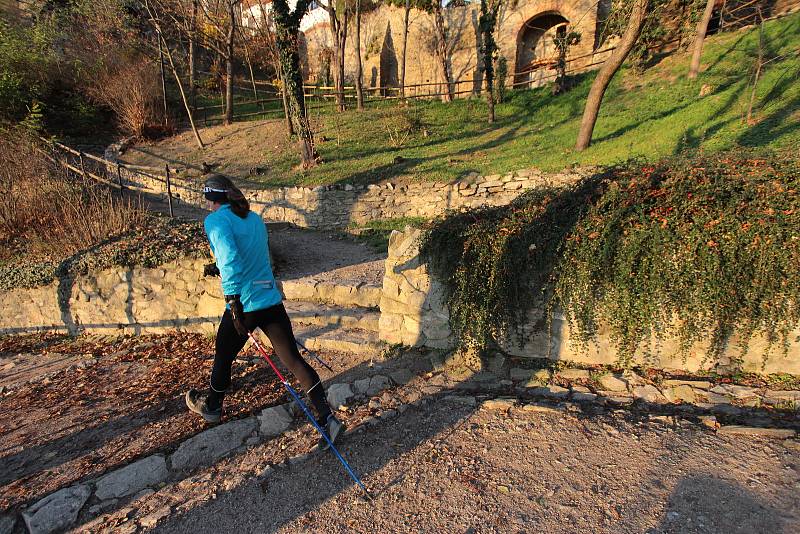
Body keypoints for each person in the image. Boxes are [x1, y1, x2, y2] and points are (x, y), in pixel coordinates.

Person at [185, 174, 344, 450]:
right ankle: (328, 418)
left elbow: (231, 257)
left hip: (244, 304)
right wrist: (218, 267)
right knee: (293, 360)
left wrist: (232, 299)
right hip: (269, 300)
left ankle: (212, 406)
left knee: (223, 354)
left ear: (210, 198)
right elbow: (250, 255)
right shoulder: (254, 218)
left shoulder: (215, 221)